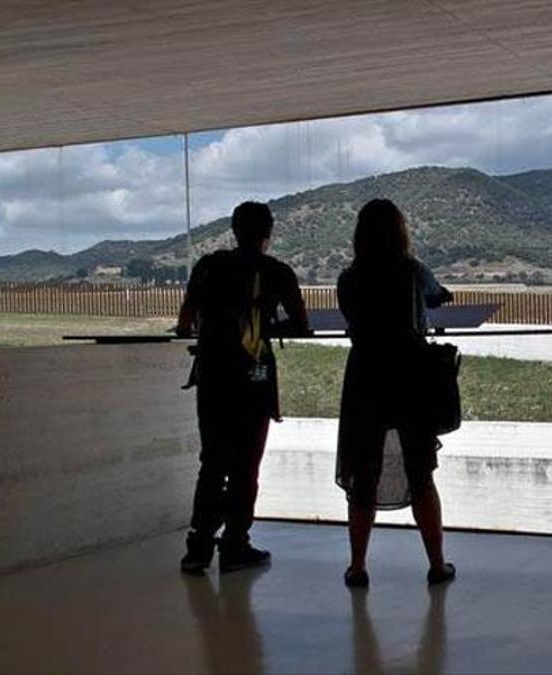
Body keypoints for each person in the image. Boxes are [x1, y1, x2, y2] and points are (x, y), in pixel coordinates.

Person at [177, 201, 309, 574]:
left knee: (213, 461)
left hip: (213, 376)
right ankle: (235, 544)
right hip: (254, 378)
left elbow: (186, 322)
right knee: (246, 465)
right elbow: (301, 324)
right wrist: (265, 329)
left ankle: (198, 546)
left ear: (234, 230)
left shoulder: (207, 267)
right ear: (268, 234)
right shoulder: (277, 272)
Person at [336, 198, 456, 588]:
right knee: (421, 474)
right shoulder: (413, 272)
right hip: (410, 378)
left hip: (365, 379)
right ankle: (437, 564)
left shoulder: (348, 278)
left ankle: (357, 566)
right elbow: (438, 295)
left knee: (363, 475)